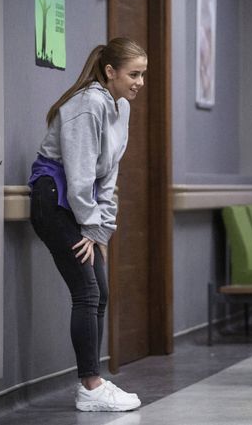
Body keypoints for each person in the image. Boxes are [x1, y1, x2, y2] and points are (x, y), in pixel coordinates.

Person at [28, 37, 147, 412]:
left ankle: (91, 384)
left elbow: (108, 176)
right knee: (87, 291)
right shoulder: (87, 105)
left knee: (100, 292)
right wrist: (90, 227)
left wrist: (100, 232)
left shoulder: (120, 107)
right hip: (54, 199)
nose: (140, 82)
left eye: (143, 74)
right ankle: (91, 386)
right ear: (110, 71)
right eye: (134, 74)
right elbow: (79, 178)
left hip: (79, 204)